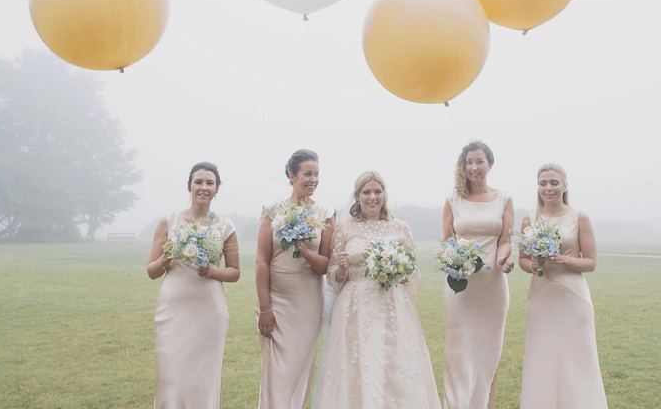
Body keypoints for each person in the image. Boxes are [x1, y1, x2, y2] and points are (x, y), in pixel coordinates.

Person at [315, 171, 441, 408]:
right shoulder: (344, 227)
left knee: (395, 363)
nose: (372, 197)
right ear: (357, 197)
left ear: (384, 195)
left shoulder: (400, 227)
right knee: (359, 364)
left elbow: (413, 272)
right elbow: (333, 276)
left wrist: (398, 268)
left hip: (393, 304)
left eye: (377, 191)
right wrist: (341, 268)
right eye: (366, 192)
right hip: (355, 306)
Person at [147, 162, 240, 409]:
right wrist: (168, 257)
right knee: (172, 378)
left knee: (203, 380)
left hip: (208, 311)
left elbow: (234, 272)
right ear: (189, 185)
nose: (203, 187)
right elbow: (151, 271)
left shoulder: (225, 226)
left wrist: (212, 271)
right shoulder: (169, 221)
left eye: (210, 183)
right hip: (174, 309)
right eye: (198, 182)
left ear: (217, 189)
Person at [517, 163, 607, 408]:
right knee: (542, 357)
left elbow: (591, 262)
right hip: (541, 297)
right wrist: (533, 262)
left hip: (572, 298)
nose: (548, 188)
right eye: (543, 183)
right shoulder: (529, 218)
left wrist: (564, 259)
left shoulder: (579, 217)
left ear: (565, 186)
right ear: (538, 187)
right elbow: (522, 261)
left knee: (577, 360)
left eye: (554, 183)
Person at [255, 149, 334, 409]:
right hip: (275, 301)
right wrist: (265, 309)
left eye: (317, 174)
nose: (313, 179)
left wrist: (304, 250)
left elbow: (325, 265)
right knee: (276, 372)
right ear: (291, 175)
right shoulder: (272, 210)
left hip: (308, 304)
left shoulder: (325, 213)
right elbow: (261, 262)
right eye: (307, 174)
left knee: (299, 370)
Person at [441, 140, 514, 409]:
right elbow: (447, 240)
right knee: (459, 353)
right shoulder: (453, 199)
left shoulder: (504, 198)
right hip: (460, 287)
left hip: (492, 286)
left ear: (490, 164)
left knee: (487, 354)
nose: (473, 167)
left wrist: (503, 257)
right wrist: (453, 259)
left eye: (479, 161)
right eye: (468, 162)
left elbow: (506, 239)